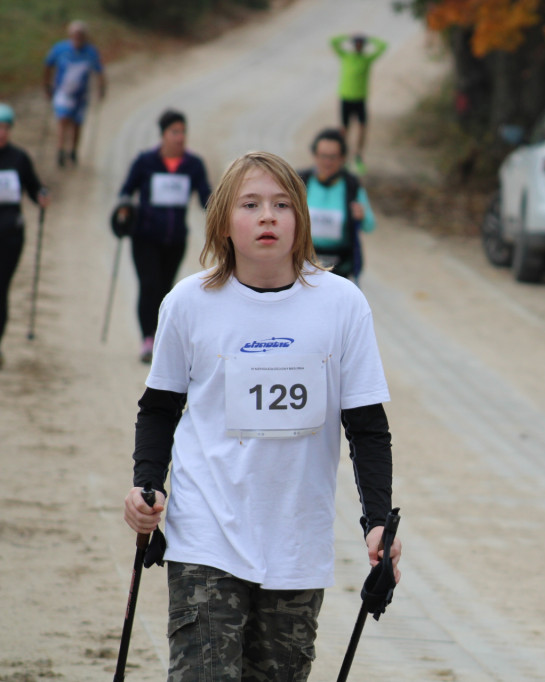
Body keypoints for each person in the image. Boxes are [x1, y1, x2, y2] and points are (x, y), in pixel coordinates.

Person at [122, 150, 401, 680]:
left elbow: (367, 428)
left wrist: (378, 523)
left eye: (280, 204)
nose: (267, 216)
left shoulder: (342, 304)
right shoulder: (188, 303)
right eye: (250, 204)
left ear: (301, 217)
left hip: (297, 542)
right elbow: (159, 408)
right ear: (225, 221)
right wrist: (145, 485)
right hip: (205, 533)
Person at [116, 109, 211, 363]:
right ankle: (147, 338)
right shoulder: (145, 162)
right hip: (145, 237)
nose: (180, 137)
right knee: (149, 285)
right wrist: (124, 208)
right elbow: (126, 190)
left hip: (175, 239)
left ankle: (160, 336)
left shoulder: (193, 165)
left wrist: (221, 211)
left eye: (183, 132)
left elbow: (206, 197)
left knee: (166, 289)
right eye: (174, 132)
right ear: (163, 135)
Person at [0, 104, 51, 370]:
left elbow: (33, 187)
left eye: (6, 128)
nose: (2, 133)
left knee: (1, 288)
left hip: (10, 235)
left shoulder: (18, 159)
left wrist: (41, 195)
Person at [297, 128, 377, 284]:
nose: (327, 162)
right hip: (304, 262)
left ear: (342, 158)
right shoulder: (301, 182)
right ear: (315, 155)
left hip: (340, 265)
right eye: (323, 156)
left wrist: (362, 216)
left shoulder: (351, 185)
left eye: (333, 157)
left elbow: (370, 225)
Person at [43, 20, 106, 167]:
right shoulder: (60, 49)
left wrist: (101, 89)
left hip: (81, 96)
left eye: (81, 35)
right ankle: (60, 149)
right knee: (63, 120)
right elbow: (48, 65)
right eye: (75, 35)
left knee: (77, 124)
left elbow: (99, 71)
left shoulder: (91, 51)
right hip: (63, 92)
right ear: (70, 35)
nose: (78, 38)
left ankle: (73, 150)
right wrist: (47, 86)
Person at [329, 32, 388, 174]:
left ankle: (358, 157)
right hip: (346, 98)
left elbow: (383, 46)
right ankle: (343, 159)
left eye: (361, 44)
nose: (359, 46)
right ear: (354, 45)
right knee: (344, 130)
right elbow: (333, 41)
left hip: (360, 99)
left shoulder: (367, 59)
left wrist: (370, 38)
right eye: (357, 43)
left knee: (362, 128)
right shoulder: (346, 56)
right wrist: (348, 36)